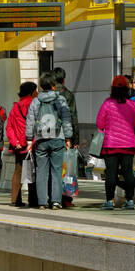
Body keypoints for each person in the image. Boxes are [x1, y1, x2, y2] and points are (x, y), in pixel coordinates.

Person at [26, 71, 73, 210]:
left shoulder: (36, 101)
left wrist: (29, 140)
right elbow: (66, 119)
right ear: (53, 85)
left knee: (41, 171)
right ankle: (56, 201)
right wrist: (68, 137)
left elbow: (30, 121)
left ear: (41, 86)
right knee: (57, 171)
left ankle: (42, 202)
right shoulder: (60, 100)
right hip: (57, 138)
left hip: (41, 140)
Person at [95, 75, 135, 211]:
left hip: (111, 145)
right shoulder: (133, 104)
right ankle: (130, 200)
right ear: (127, 88)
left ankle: (109, 201)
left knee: (111, 173)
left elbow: (100, 123)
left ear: (113, 88)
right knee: (128, 172)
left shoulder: (107, 103)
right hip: (128, 144)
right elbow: (134, 122)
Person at [7, 81, 38, 207]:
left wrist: (16, 142)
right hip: (32, 144)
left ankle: (15, 199)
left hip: (19, 146)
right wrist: (32, 142)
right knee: (32, 171)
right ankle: (33, 199)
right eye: (36, 91)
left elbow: (9, 127)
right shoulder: (35, 105)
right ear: (31, 92)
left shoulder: (15, 107)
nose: (37, 93)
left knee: (18, 171)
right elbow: (37, 125)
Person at [53, 67, 79, 203]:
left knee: (53, 167)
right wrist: (75, 139)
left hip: (49, 135)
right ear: (64, 79)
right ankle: (65, 197)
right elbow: (73, 117)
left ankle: (52, 197)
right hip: (65, 137)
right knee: (65, 167)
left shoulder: (47, 93)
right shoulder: (68, 95)